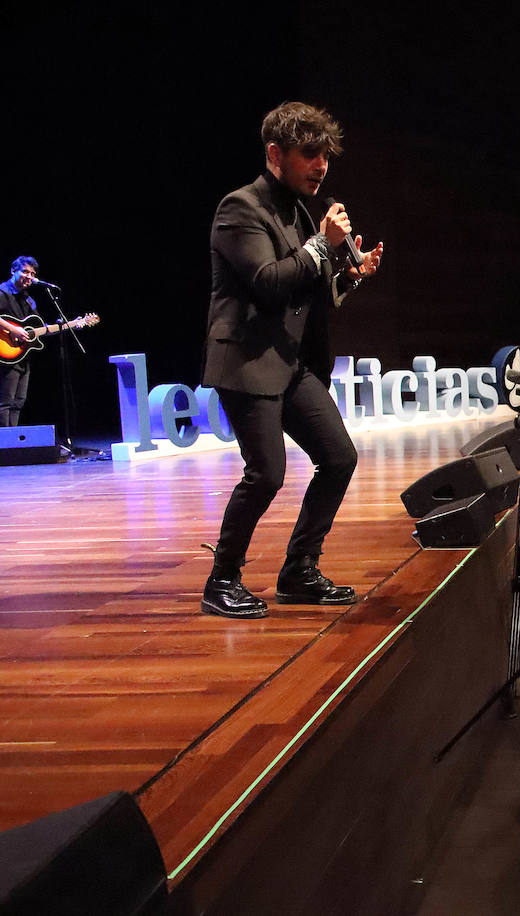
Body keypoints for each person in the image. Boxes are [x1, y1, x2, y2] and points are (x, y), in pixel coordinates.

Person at [201, 102, 383, 620]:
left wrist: (350, 273)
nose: (321, 165)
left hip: (290, 361)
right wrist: (323, 248)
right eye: (310, 154)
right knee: (266, 474)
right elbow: (268, 282)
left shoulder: (303, 207)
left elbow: (310, 283)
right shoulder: (240, 208)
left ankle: (299, 570)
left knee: (339, 457)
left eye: (325, 155)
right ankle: (222, 579)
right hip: (249, 360)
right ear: (275, 154)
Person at [0, 257, 42, 426]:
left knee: (18, 402)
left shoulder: (29, 300)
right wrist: (13, 330)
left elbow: (37, 327)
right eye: (25, 271)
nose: (29, 276)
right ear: (13, 271)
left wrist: (70, 325)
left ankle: (14, 443)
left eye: (32, 274)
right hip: (6, 354)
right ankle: (4, 445)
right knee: (5, 402)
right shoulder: (3, 292)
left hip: (22, 356)